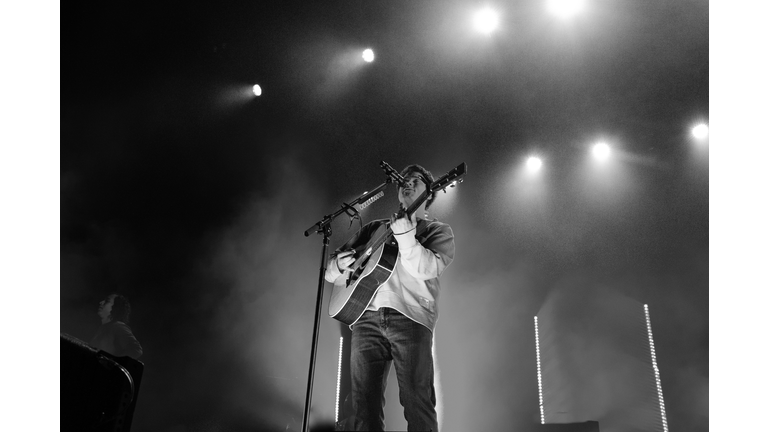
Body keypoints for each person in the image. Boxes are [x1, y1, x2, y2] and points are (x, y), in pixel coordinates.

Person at [325, 164, 455, 432]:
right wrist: (338, 265)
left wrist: (406, 234)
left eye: (416, 181)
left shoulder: (438, 231)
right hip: (365, 318)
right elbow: (331, 273)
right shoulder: (373, 228)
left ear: (429, 193)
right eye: (404, 180)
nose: (407, 183)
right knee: (363, 407)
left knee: (417, 401)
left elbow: (426, 268)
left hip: (411, 317)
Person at [90, 293, 143, 360]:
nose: (101, 302)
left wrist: (112, 363)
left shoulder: (118, 327)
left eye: (107, 301)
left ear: (116, 307)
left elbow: (136, 349)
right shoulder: (103, 328)